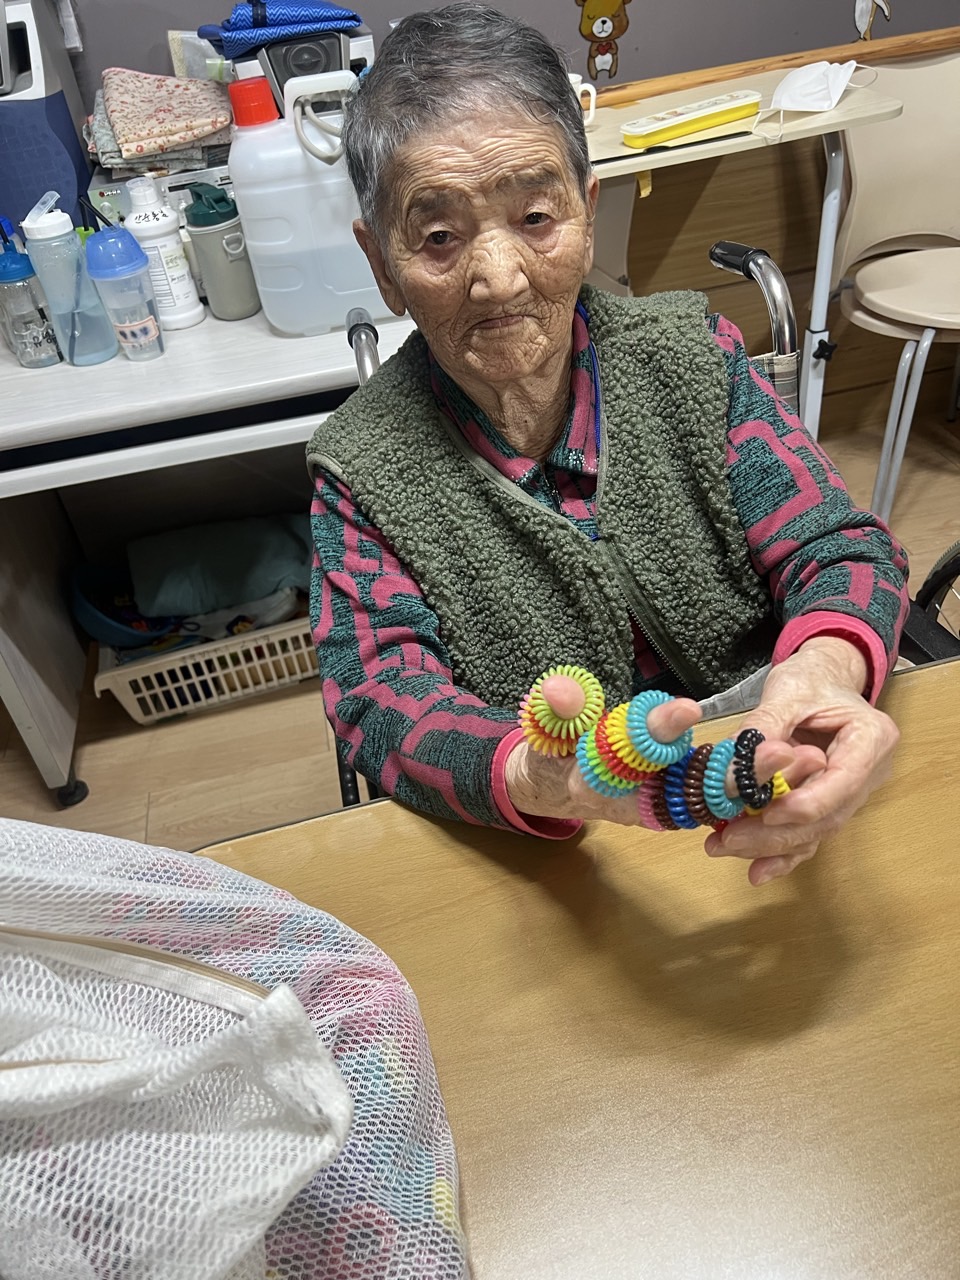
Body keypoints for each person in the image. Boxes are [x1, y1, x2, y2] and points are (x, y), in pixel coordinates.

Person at [308, 4, 908, 885]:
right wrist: (528, 773)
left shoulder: (691, 358)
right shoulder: (361, 470)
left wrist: (824, 670)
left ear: (587, 214)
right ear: (381, 265)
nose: (499, 278)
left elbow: (837, 548)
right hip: (567, 849)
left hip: (772, 772)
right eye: (437, 237)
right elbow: (379, 698)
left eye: (535, 217)